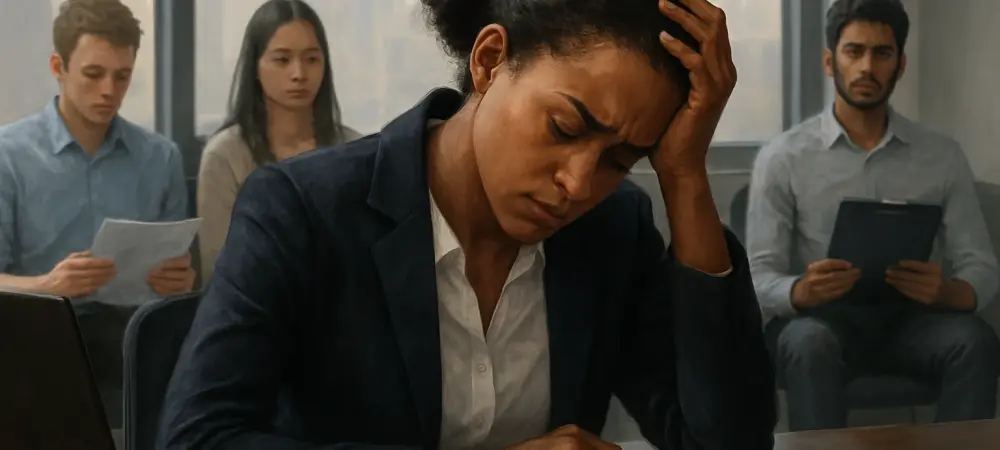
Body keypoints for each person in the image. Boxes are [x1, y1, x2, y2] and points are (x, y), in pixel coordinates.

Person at [160, 0, 776, 448]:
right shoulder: (302, 211)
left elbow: (727, 440)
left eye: (620, 161)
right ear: (489, 60)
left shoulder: (610, 231)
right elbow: (198, 438)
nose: (578, 183)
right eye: (563, 128)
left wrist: (684, 175)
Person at [748, 0, 1000, 432]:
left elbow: (981, 265)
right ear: (830, 62)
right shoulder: (783, 157)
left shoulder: (941, 155)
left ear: (900, 66)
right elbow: (757, 275)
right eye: (854, 51)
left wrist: (948, 291)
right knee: (808, 343)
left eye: (882, 53)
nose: (867, 66)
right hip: (820, 321)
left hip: (911, 321)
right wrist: (800, 290)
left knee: (975, 341)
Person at [0, 0, 196, 427]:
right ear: (58, 67)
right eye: (93, 74)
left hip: (133, 337)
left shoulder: (160, 158)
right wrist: (47, 285)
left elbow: (176, 277)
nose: (109, 90)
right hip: (42, 333)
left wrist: (179, 282)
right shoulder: (9, 156)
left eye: (122, 76)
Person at [197, 0, 361, 281]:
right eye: (282, 60)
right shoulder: (225, 156)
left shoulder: (355, 150)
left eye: (311, 59)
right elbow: (219, 273)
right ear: (255, 66)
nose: (299, 74)